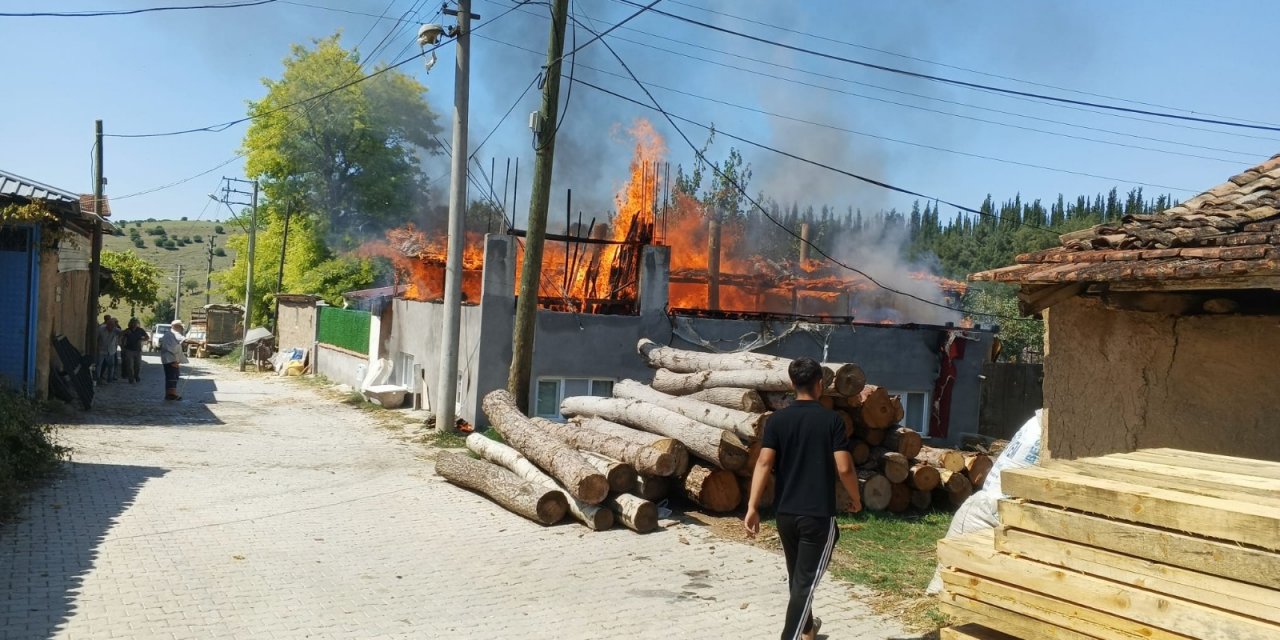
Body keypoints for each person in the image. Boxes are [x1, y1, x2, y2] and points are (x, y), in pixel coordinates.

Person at [744, 357, 863, 640]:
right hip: (818, 518)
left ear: (790, 384)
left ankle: (808, 632)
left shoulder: (777, 420)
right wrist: (856, 498)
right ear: (820, 384)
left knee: (798, 580)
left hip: (785, 515)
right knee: (805, 585)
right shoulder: (831, 420)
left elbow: (763, 464)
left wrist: (751, 506)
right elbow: (845, 467)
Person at [159, 319, 187, 401]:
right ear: (176, 326)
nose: (181, 329)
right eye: (181, 327)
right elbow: (184, 339)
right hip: (171, 358)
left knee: (173, 376)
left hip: (169, 358)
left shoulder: (168, 334)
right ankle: (171, 394)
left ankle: (170, 394)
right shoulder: (174, 333)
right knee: (172, 376)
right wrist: (198, 342)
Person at [120, 318, 149, 383]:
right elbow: (121, 337)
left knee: (138, 365)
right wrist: (122, 347)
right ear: (130, 324)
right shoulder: (127, 330)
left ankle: (136, 375)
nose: (134, 325)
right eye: (132, 323)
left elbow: (147, 337)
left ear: (137, 324)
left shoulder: (140, 330)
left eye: (135, 323)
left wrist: (142, 339)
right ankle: (131, 378)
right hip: (129, 350)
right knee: (130, 365)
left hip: (138, 350)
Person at [96, 315, 121, 383]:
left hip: (111, 350)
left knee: (111, 365)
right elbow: (96, 338)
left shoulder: (115, 330)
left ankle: (110, 378)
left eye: (112, 326)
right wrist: (97, 347)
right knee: (99, 364)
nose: (111, 328)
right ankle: (97, 378)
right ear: (107, 325)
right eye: (109, 326)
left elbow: (122, 333)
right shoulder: (101, 329)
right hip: (101, 349)